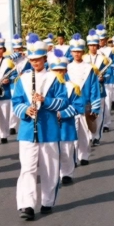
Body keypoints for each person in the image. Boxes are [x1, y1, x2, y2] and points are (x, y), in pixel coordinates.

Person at [11, 33, 69, 220]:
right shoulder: (22, 79)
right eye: (32, 59)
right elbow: (16, 101)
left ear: (45, 58)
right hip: (28, 130)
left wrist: (45, 101)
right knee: (27, 168)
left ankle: (47, 201)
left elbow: (63, 102)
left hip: (49, 130)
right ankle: (27, 205)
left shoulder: (55, 78)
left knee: (50, 168)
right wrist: (26, 110)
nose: (35, 62)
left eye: (38, 59)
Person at [67, 34, 102, 166]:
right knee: (72, 134)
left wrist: (95, 107)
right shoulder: (66, 68)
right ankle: (73, 158)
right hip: (70, 106)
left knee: (85, 133)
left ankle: (84, 155)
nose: (76, 53)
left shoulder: (89, 68)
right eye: (74, 51)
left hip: (85, 104)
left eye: (79, 51)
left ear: (83, 52)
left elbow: (94, 88)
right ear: (71, 52)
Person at [50, 49, 82, 186]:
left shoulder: (73, 87)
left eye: (61, 70)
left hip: (66, 125)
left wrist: (61, 114)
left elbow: (78, 106)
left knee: (67, 151)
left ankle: (67, 174)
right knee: (51, 153)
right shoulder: (45, 87)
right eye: (55, 70)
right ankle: (53, 174)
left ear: (65, 71)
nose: (58, 73)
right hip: (50, 126)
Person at [86, 29, 112, 145]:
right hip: (86, 90)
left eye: (94, 45)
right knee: (87, 113)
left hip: (100, 90)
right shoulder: (84, 58)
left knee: (99, 113)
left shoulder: (103, 58)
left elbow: (109, 71)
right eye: (90, 45)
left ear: (97, 45)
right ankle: (88, 135)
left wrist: (103, 77)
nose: (93, 47)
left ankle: (96, 136)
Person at [96, 24, 114, 127]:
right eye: (99, 40)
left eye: (102, 40)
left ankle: (106, 124)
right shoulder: (93, 51)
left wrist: (107, 72)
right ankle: (98, 123)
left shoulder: (110, 50)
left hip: (107, 80)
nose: (100, 42)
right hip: (95, 81)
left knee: (107, 103)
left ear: (105, 40)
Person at [8, 34, 27, 135]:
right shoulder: (13, 58)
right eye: (15, 48)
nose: (17, 50)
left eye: (19, 48)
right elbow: (10, 59)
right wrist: (18, 54)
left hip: (25, 84)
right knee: (14, 105)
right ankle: (12, 126)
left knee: (25, 103)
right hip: (14, 84)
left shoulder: (26, 58)